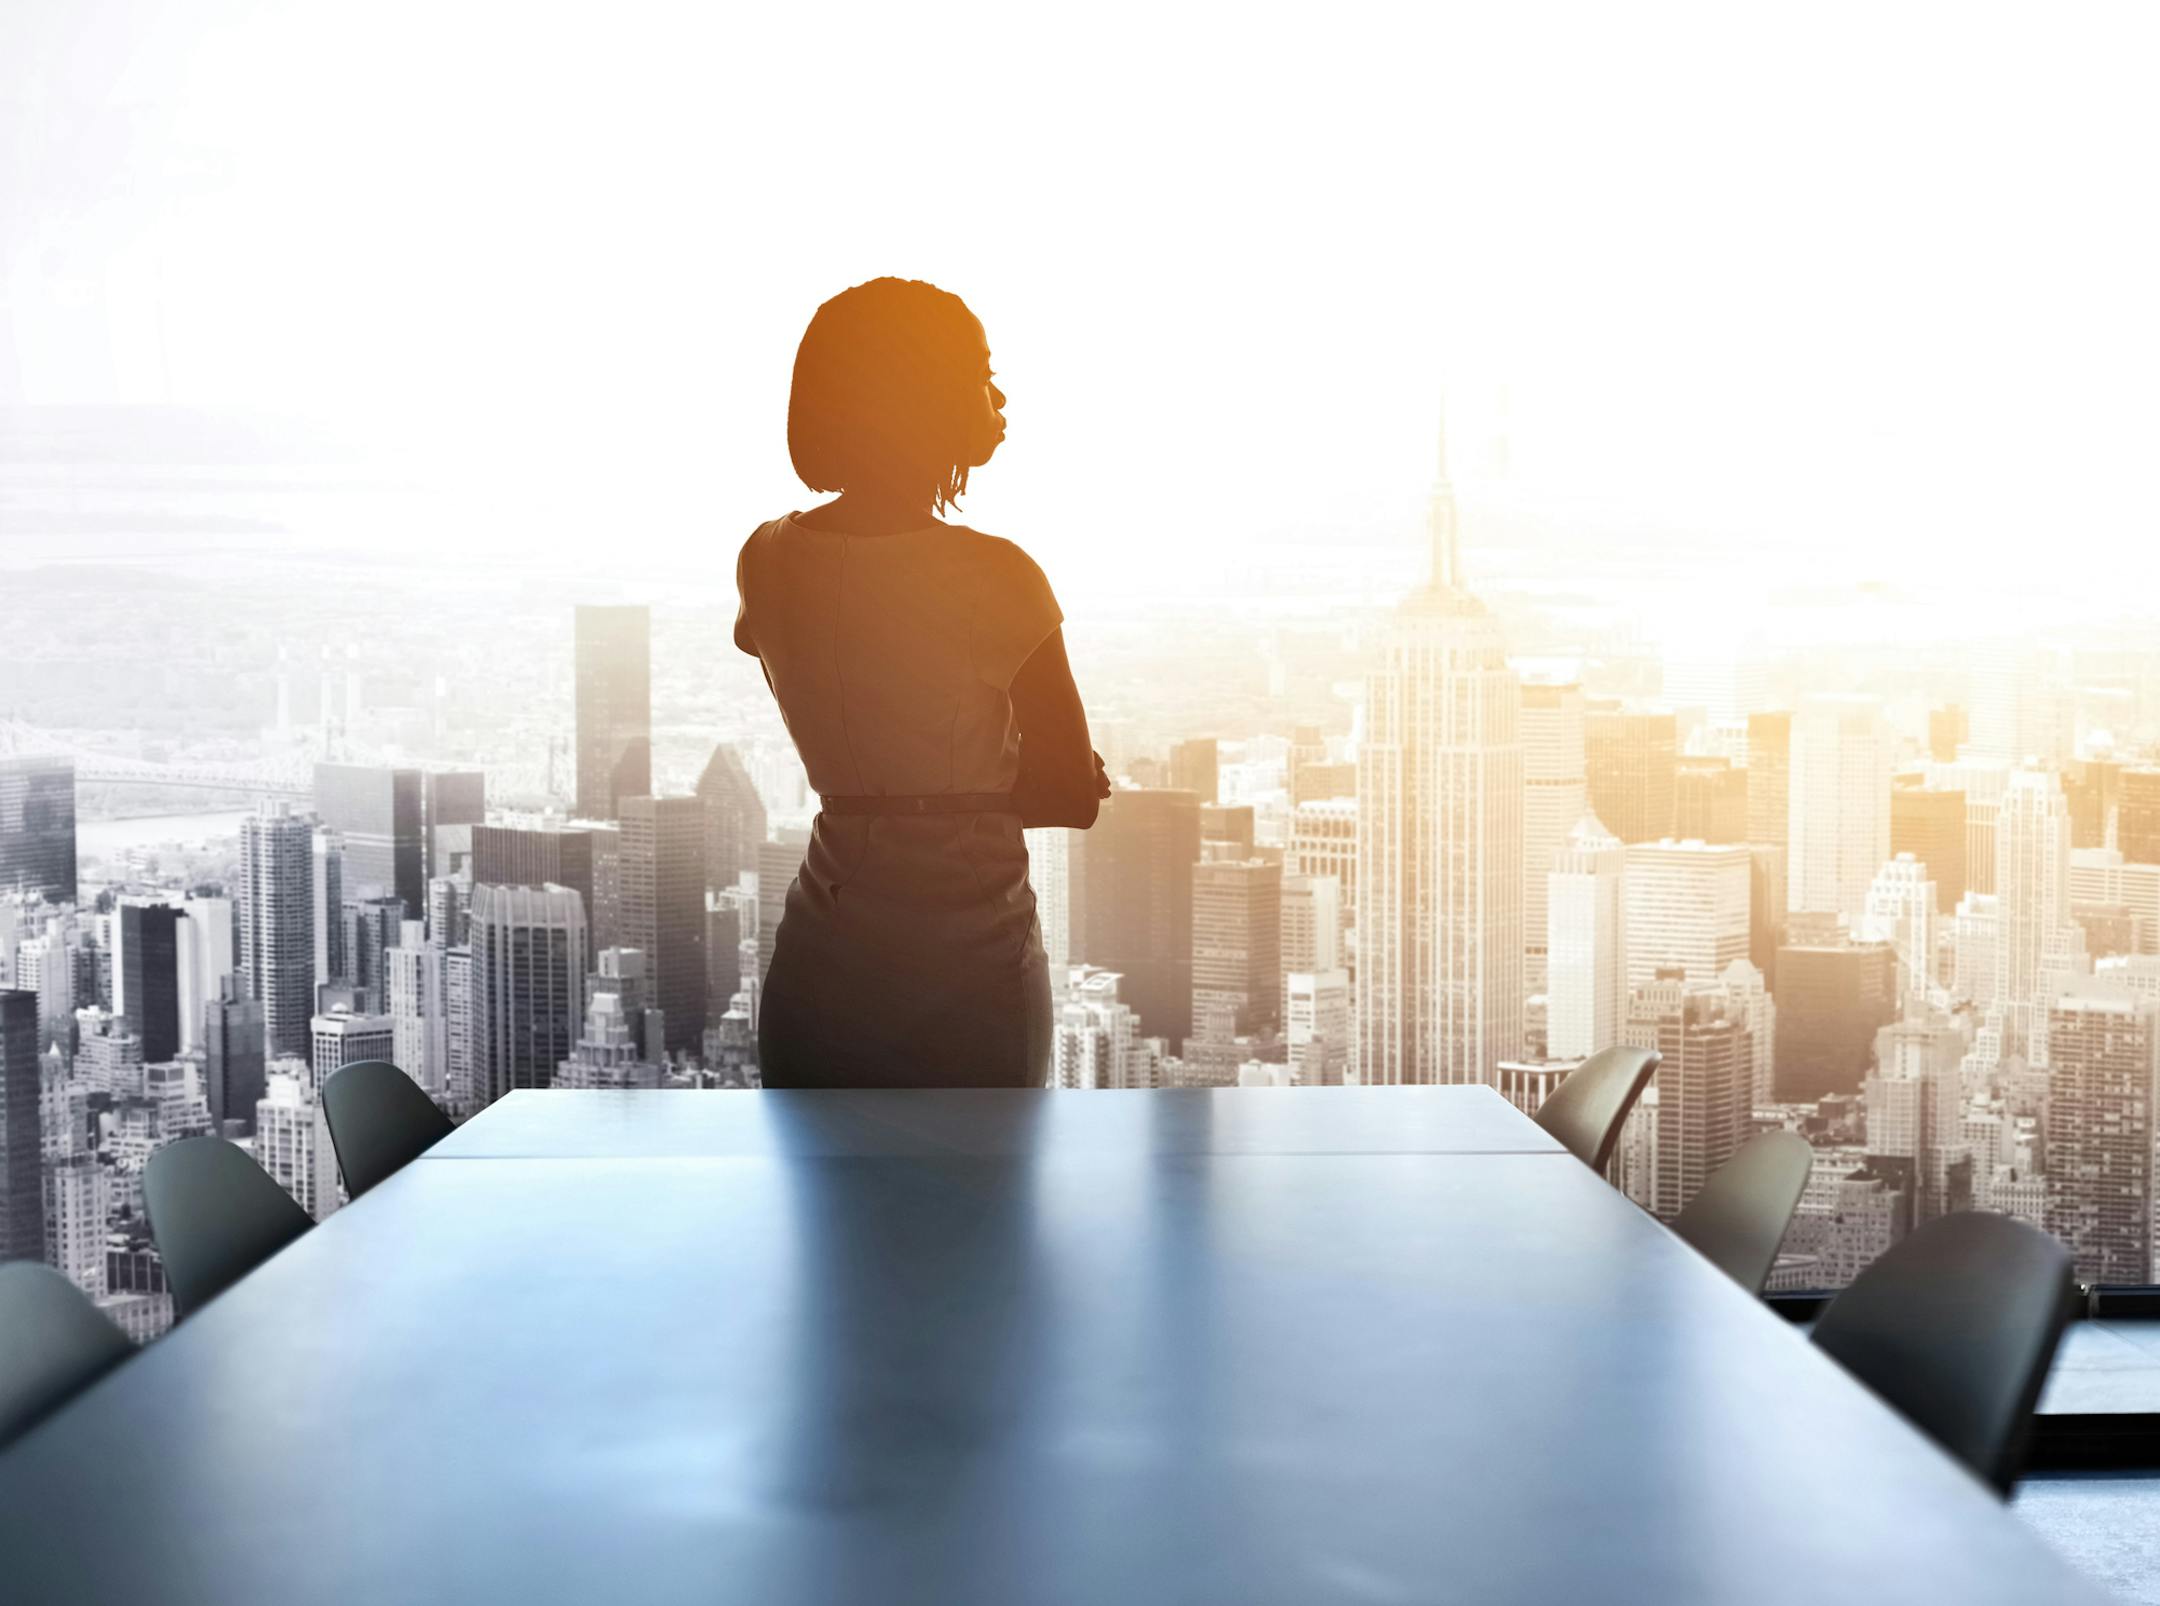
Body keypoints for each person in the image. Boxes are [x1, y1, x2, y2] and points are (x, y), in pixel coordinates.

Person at [733, 277, 1108, 1088]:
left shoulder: (765, 556)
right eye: (980, 371)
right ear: (921, 395)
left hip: (821, 953)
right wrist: (999, 776)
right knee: (982, 1205)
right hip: (970, 959)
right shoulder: (998, 577)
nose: (1000, 395)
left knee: (827, 1207)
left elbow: (819, 695)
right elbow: (1072, 796)